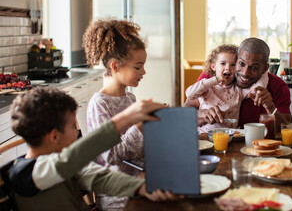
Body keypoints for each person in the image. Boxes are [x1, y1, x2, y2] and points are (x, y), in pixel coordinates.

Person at [7, 87, 178, 211]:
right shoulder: (26, 173)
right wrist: (123, 120)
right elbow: (69, 160)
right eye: (73, 127)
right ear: (54, 136)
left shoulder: (62, 163)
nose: (77, 132)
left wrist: (143, 187)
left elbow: (99, 177)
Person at [82, 19, 150, 210]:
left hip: (138, 181)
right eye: (138, 67)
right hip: (117, 195)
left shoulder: (130, 98)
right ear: (115, 66)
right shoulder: (99, 104)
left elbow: (135, 146)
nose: (144, 71)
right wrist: (139, 126)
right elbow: (110, 156)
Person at [185, 37, 292, 135]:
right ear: (237, 59)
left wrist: (270, 107)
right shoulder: (214, 75)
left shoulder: (278, 86)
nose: (245, 73)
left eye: (254, 68)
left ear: (264, 69)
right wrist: (204, 115)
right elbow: (184, 115)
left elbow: (287, 129)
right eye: (241, 64)